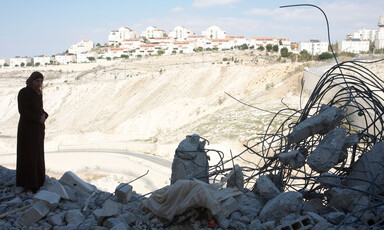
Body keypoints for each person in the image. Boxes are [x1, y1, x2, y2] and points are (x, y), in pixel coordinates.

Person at [16, 71, 48, 193]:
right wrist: (37, 117)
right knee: (28, 154)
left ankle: (38, 181)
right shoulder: (24, 92)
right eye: (37, 81)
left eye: (41, 81)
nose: (39, 83)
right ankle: (27, 183)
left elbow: (40, 109)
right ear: (31, 81)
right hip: (27, 129)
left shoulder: (38, 93)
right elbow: (23, 111)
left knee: (37, 154)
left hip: (38, 129)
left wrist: (44, 115)